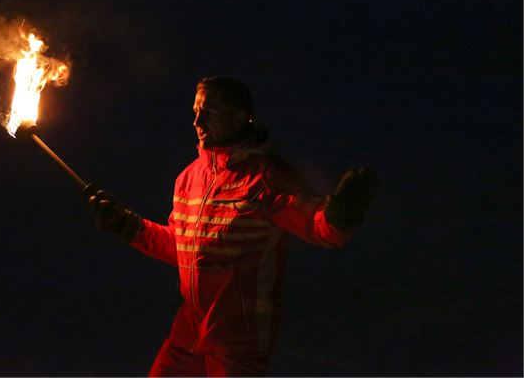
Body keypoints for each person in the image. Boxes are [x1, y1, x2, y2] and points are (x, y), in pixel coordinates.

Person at [84, 76, 380, 377]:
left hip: (239, 340)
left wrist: (342, 213)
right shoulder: (188, 179)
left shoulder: (266, 179)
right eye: (195, 111)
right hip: (188, 332)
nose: (197, 121)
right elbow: (183, 249)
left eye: (209, 113)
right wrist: (127, 225)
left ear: (240, 117)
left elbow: (318, 228)